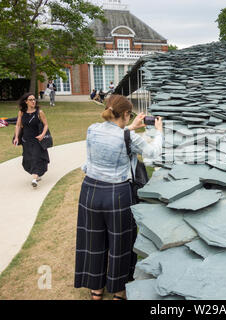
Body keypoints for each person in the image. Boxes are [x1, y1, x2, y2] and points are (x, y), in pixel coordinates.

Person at [74, 94, 163, 300]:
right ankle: (119, 290)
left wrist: (131, 126)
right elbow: (153, 153)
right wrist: (158, 132)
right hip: (117, 194)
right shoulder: (128, 137)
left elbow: (116, 136)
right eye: (129, 115)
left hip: (89, 191)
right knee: (120, 243)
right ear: (124, 113)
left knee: (93, 239)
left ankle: (96, 289)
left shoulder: (92, 128)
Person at [13, 93, 50, 188]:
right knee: (28, 159)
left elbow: (46, 124)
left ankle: (34, 178)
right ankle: (36, 174)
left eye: (34, 99)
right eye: (31, 100)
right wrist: (16, 137)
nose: (33, 101)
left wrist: (42, 134)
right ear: (26, 102)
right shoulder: (21, 112)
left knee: (36, 158)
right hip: (26, 140)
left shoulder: (39, 112)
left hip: (37, 140)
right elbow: (18, 125)